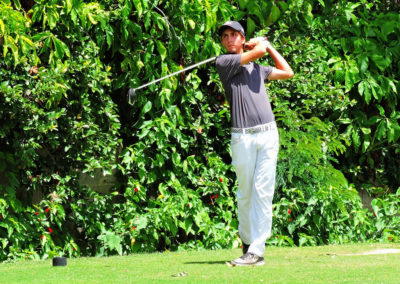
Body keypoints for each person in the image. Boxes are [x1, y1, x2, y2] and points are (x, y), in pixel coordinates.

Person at [215, 21, 294, 266]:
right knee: (245, 194)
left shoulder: (258, 68)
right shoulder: (224, 62)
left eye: (234, 35)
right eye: (225, 36)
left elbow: (288, 71)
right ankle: (248, 244)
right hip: (242, 137)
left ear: (242, 38)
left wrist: (268, 47)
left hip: (268, 134)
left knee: (263, 191)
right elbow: (257, 51)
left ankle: (257, 250)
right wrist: (260, 45)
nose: (229, 39)